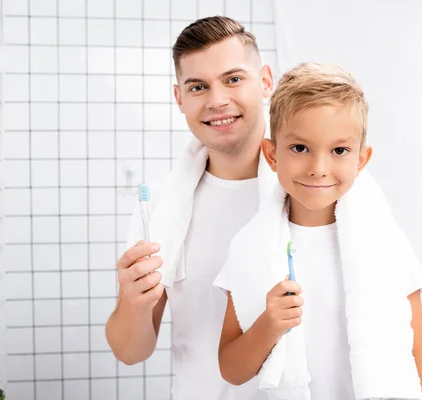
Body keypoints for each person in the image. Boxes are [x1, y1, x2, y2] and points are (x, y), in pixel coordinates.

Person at [217, 62, 422, 399]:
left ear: (360, 161)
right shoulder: (251, 248)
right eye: (300, 148)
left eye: (339, 150)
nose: (319, 169)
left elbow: (417, 354)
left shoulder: (387, 245)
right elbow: (231, 370)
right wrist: (269, 325)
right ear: (272, 154)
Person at [105, 16, 274, 398]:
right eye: (198, 86)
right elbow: (130, 352)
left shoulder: (313, 187)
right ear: (179, 98)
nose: (217, 100)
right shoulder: (162, 208)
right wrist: (132, 301)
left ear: (265, 81)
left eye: (233, 79)